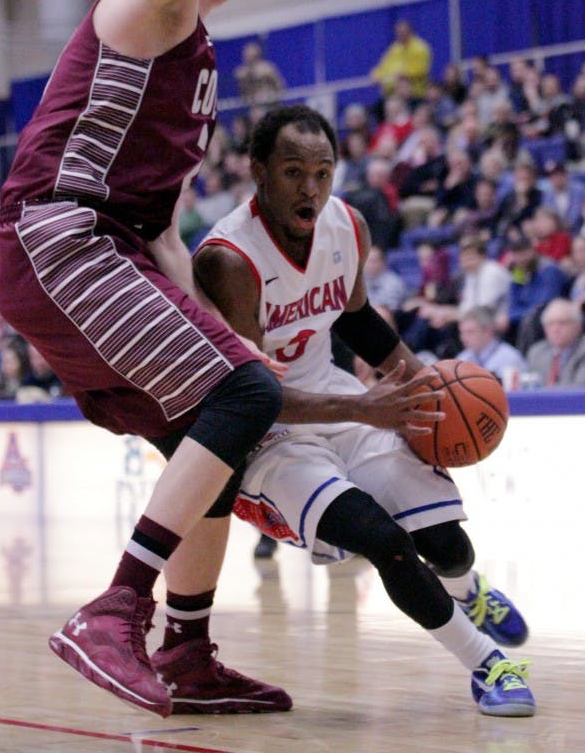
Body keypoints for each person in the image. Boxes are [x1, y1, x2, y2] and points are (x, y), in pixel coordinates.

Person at [0, 0, 392, 720]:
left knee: (216, 429)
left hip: (114, 248)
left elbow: (167, 229)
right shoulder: (144, 2)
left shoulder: (192, 58)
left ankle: (188, 648)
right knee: (241, 395)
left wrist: (231, 341)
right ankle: (114, 612)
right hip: (59, 240)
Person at [193, 104, 535, 718]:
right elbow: (248, 392)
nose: (311, 188)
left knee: (447, 544)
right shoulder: (227, 260)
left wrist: (420, 383)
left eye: (323, 172)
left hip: (342, 400)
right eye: (294, 171)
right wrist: (370, 408)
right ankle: (489, 664)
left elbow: (357, 319)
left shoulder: (347, 226)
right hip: (267, 433)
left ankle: (467, 590)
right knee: (383, 539)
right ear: (259, 171)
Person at [525, 298, 585, 386]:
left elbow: (581, 390)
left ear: (578, 326)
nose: (555, 329)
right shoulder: (536, 352)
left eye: (562, 323)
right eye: (550, 324)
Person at [457, 307, 527, 382]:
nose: (463, 338)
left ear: (488, 331)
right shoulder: (462, 358)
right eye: (462, 332)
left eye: (470, 332)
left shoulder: (510, 357)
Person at [369, 19, 432, 99]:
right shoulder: (395, 48)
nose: (400, 34)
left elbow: (421, 70)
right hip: (391, 94)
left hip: (414, 94)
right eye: (398, 32)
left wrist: (402, 74)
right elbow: (383, 66)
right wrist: (376, 74)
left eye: (402, 32)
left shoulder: (420, 48)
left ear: (410, 31)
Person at [233, 39, 285, 106]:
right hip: (252, 106)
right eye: (246, 55)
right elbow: (241, 91)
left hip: (269, 103)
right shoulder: (240, 73)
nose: (248, 58)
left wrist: (272, 97)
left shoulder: (267, 68)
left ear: (257, 55)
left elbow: (279, 85)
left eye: (251, 55)